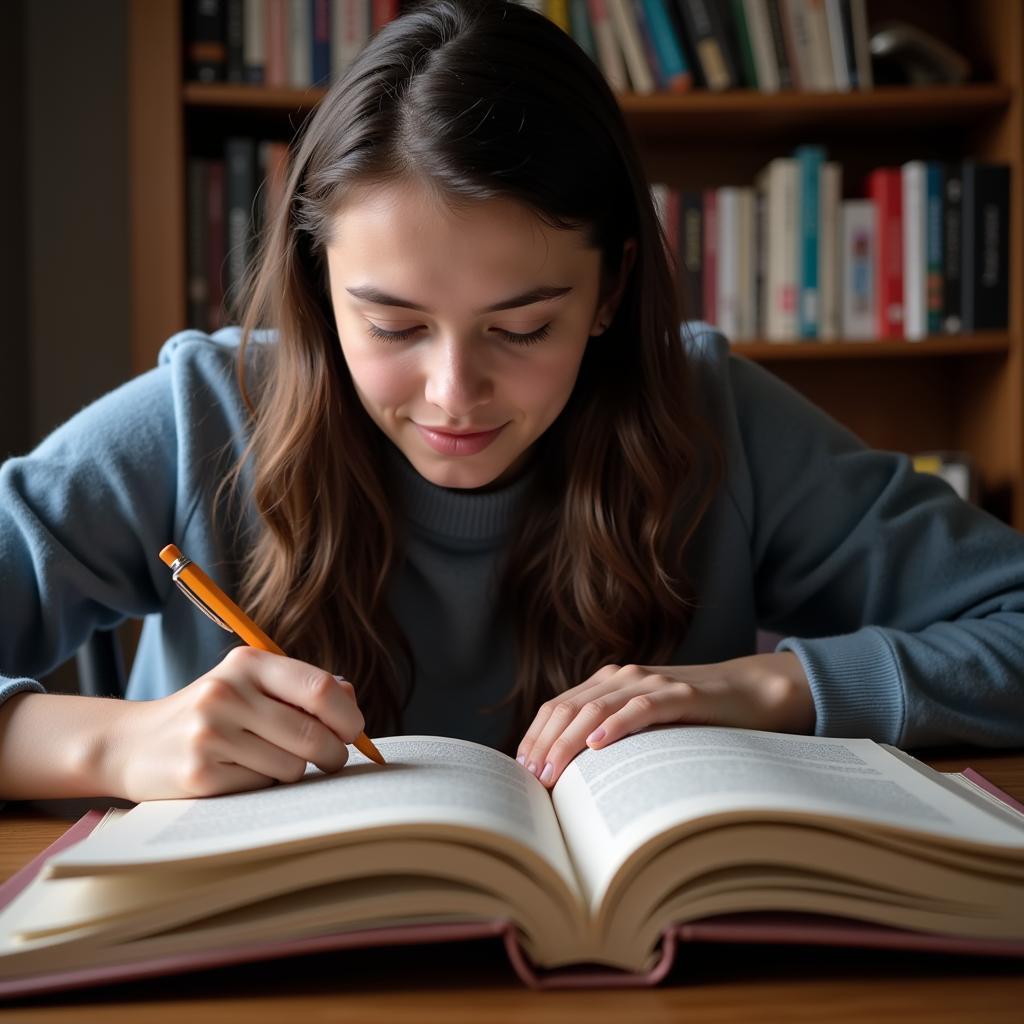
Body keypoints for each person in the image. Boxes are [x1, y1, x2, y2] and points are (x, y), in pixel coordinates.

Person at [1, 0, 1022, 807]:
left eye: (523, 327)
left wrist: (767, 688)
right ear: (317, 287)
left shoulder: (708, 413)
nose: (454, 394)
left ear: (611, 289)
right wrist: (116, 741)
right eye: (393, 326)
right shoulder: (202, 414)